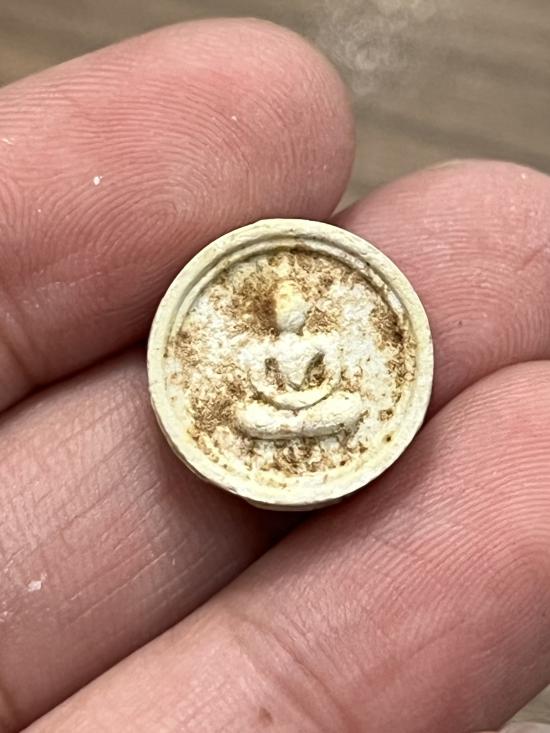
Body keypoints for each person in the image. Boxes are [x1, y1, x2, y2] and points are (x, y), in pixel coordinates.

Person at [0, 17, 549, 733]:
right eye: (281, 313)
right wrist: (282, 408)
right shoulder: (259, 354)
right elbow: (257, 396)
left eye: (296, 312)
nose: (289, 323)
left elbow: (327, 389)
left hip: (320, 417)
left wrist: (311, 403)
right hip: (266, 419)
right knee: (254, 418)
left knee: (337, 414)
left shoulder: (319, 344)